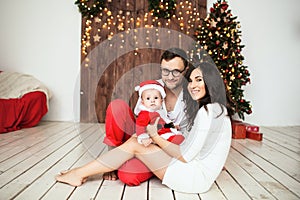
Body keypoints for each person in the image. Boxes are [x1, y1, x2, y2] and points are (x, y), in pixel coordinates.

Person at [55, 61, 232, 193]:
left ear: (210, 82)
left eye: (198, 80)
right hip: (195, 173)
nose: (193, 85)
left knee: (134, 144)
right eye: (192, 80)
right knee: (135, 142)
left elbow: (185, 155)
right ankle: (82, 172)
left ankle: (79, 173)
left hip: (190, 178)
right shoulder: (218, 110)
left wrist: (155, 137)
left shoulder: (208, 111)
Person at [102, 48, 189, 185]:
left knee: (128, 177)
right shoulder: (151, 88)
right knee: (116, 106)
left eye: (176, 71)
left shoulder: (192, 93)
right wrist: (143, 137)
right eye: (165, 71)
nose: (170, 77)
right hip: (144, 139)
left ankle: (138, 162)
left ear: (185, 70)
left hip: (167, 148)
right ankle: (112, 160)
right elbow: (140, 120)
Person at [134, 80, 184, 146]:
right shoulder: (144, 114)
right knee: (178, 139)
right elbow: (140, 126)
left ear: (161, 100)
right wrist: (144, 138)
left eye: (156, 98)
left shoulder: (160, 112)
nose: (152, 101)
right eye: (148, 98)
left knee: (180, 138)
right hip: (159, 134)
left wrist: (173, 126)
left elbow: (164, 123)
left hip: (164, 131)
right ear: (142, 102)